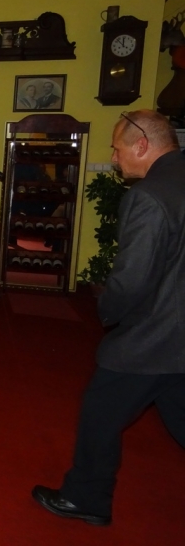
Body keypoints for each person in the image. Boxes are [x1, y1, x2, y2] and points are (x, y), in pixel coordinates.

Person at [32, 110, 185, 526]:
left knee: (100, 412)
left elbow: (132, 278)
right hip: (176, 337)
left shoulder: (149, 196)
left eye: (117, 149)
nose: (114, 159)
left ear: (142, 145)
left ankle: (86, 498)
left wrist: (106, 310)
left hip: (154, 335)